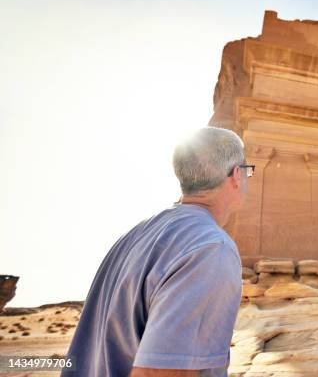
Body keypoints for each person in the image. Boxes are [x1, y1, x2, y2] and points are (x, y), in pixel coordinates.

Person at [62, 127, 253, 377]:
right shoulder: (211, 249)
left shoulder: (132, 237)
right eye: (249, 171)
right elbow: (161, 371)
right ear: (236, 176)